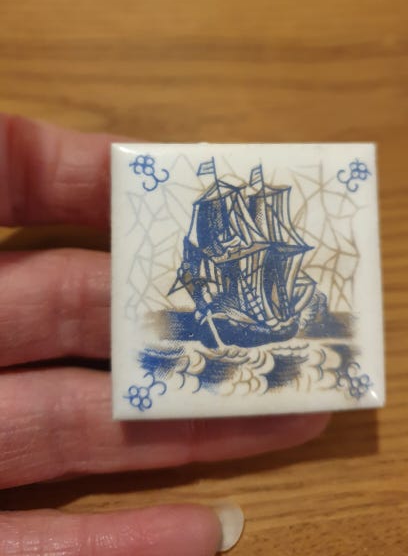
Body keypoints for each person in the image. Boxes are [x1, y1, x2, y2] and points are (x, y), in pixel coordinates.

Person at [0, 113, 330, 555]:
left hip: (253, 314)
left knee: (258, 272)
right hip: (240, 315)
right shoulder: (222, 265)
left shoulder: (255, 258)